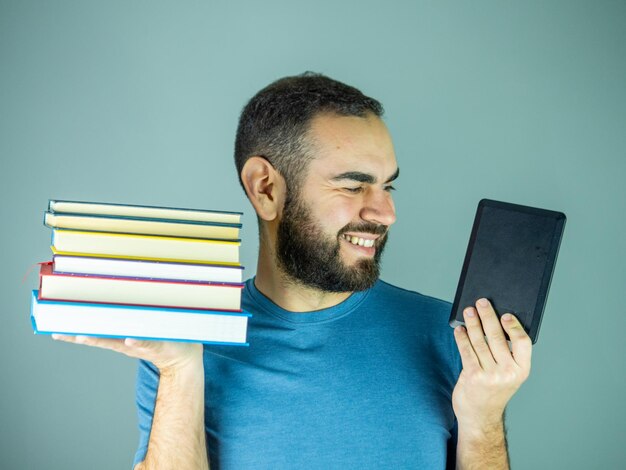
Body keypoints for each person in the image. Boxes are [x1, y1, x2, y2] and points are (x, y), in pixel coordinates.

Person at [54, 72, 532, 469]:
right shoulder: (185, 337)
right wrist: (180, 369)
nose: (385, 213)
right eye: (353, 185)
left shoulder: (453, 338)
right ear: (266, 189)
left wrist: (484, 418)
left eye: (388, 187)